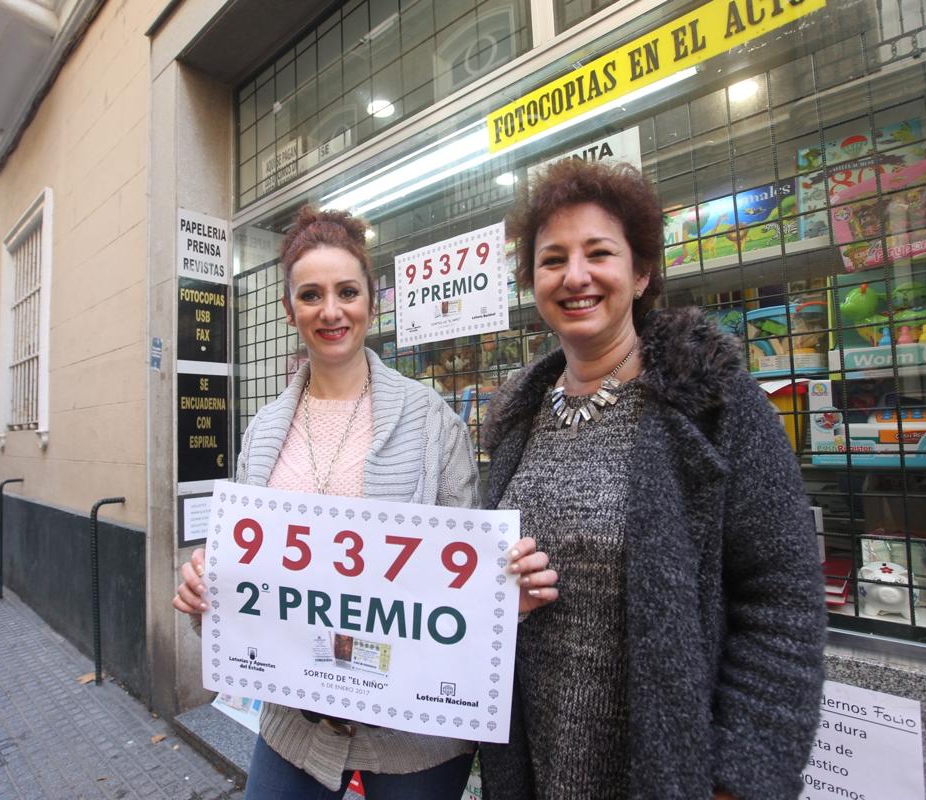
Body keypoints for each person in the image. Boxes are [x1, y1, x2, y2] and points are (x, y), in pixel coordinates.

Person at [479, 159, 826, 800]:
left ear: (640, 274)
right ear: (532, 282)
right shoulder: (516, 416)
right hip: (531, 765)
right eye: (552, 259)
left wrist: (739, 777)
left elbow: (782, 600)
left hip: (668, 774)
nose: (575, 276)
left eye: (598, 253)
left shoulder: (713, 406)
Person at [173, 207, 479, 800]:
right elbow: (242, 579)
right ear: (290, 311)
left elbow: (459, 581)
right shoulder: (261, 433)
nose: (331, 311)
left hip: (411, 734)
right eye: (311, 295)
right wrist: (204, 596)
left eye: (347, 292)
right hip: (294, 722)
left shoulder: (431, 421)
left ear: (373, 301)